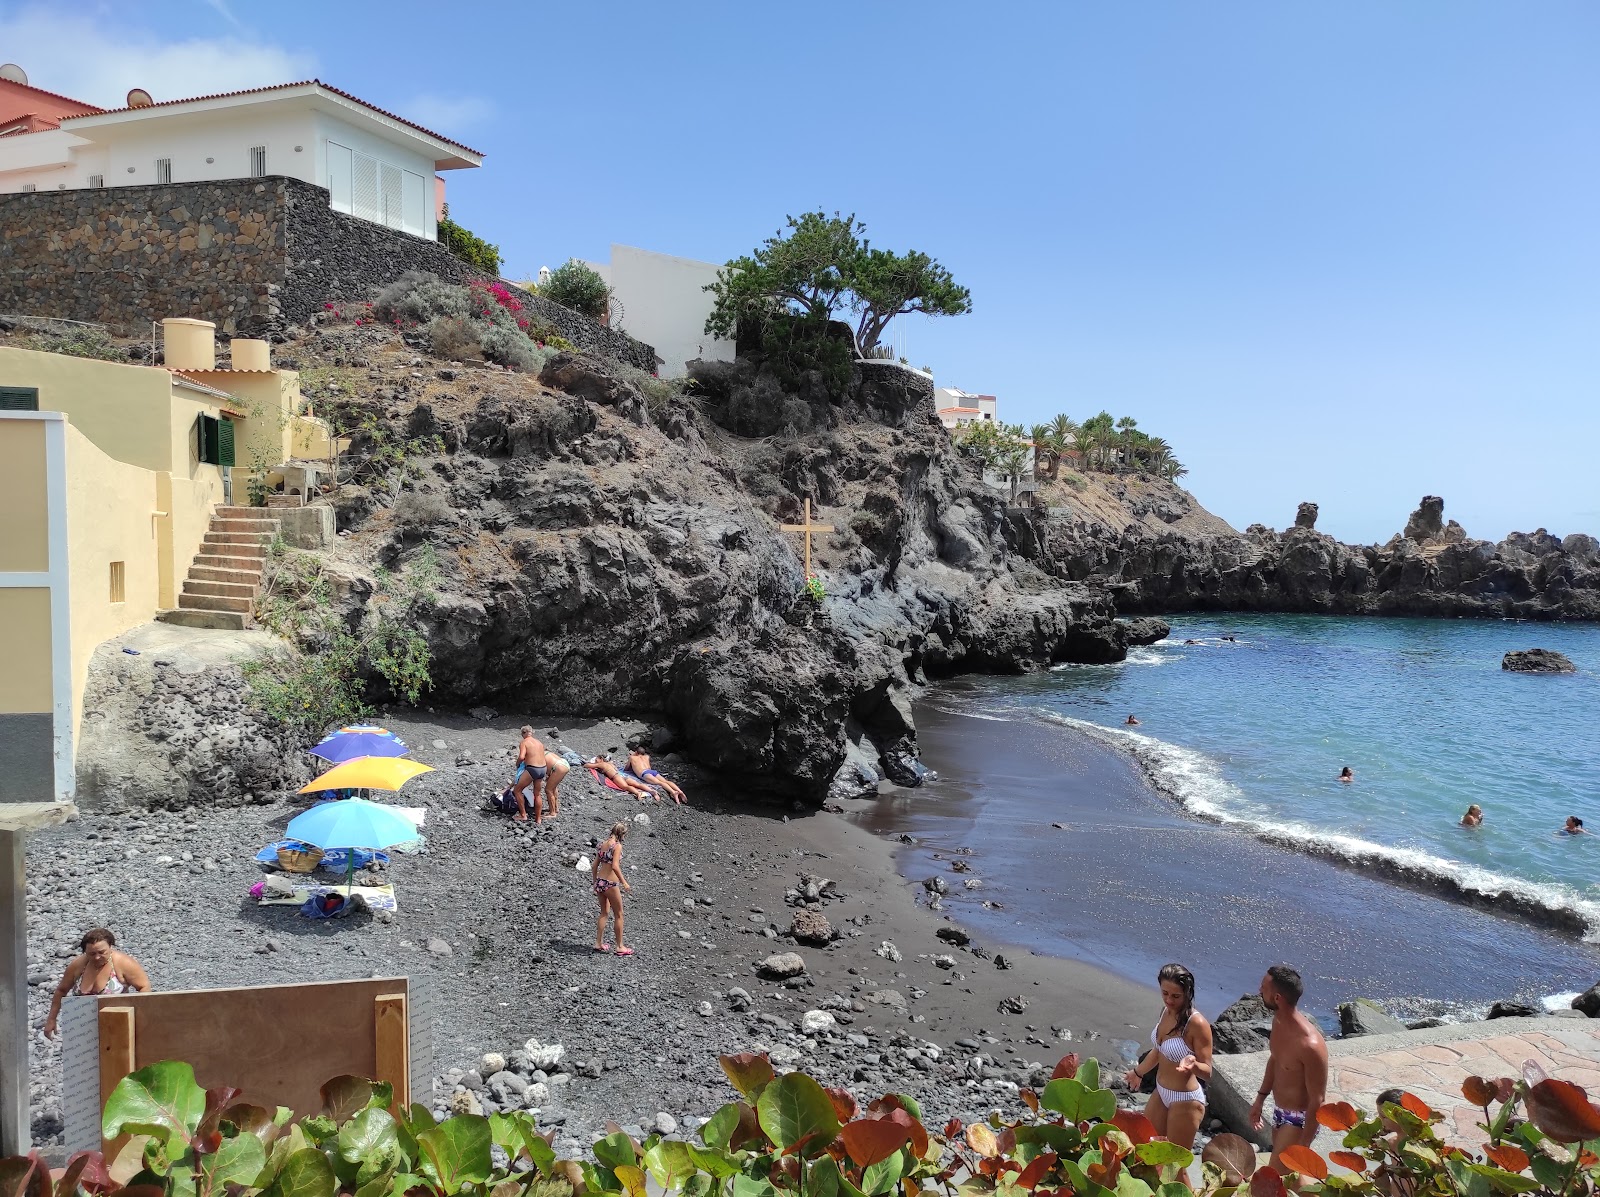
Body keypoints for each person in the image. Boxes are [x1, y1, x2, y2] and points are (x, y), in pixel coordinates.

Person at [1123, 963, 1213, 1154]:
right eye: (1165, 993)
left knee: (1174, 1166)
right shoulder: (1166, 1012)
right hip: (1161, 1092)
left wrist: (1192, 1064)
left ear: (1187, 993)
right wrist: (1137, 1073)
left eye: (1175, 996)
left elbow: (1208, 1071)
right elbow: (1158, 1051)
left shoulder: (1197, 1023)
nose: (1169, 1000)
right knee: (1144, 1151)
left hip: (1186, 1100)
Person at [1248, 964, 1329, 1171]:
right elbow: (1275, 1061)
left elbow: (1317, 1099)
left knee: (1273, 1177)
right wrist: (1260, 1100)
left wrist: (1305, 1143)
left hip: (1299, 1121)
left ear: (1277, 998)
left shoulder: (1310, 1045)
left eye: (1264, 988)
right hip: (1280, 1112)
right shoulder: (1278, 1023)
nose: (1259, 990)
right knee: (1291, 1181)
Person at [43, 928, 151, 1038]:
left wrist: (138, 1017)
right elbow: (61, 990)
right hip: (81, 1029)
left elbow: (144, 986)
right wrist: (51, 1019)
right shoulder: (78, 965)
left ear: (110, 947)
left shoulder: (123, 963)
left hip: (116, 1025)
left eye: (102, 952)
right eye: (92, 953)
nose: (97, 957)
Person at [592, 821, 633, 956]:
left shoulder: (601, 845)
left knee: (604, 912)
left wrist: (595, 882)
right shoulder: (617, 846)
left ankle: (598, 943)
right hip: (610, 883)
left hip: (600, 881)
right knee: (619, 914)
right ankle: (620, 946)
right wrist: (624, 882)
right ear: (622, 834)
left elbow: (594, 866)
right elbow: (615, 866)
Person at [511, 726, 547, 822]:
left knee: (517, 790)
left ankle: (523, 815)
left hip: (533, 769)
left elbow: (522, 757)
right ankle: (538, 819)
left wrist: (517, 764)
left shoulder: (524, 742)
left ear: (523, 733)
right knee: (537, 794)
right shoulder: (539, 743)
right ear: (532, 733)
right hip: (543, 768)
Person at [587, 754, 656, 800]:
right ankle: (651, 791)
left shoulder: (601, 764)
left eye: (596, 760)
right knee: (637, 784)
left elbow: (589, 766)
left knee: (625, 787)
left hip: (616, 777)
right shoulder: (610, 763)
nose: (596, 762)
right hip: (622, 775)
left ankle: (638, 793)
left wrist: (586, 764)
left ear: (600, 759)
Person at [541, 752, 570, 818]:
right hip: (562, 763)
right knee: (553, 787)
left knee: (548, 790)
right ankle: (556, 808)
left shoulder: (537, 757)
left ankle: (552, 813)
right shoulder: (545, 752)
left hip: (558, 767)